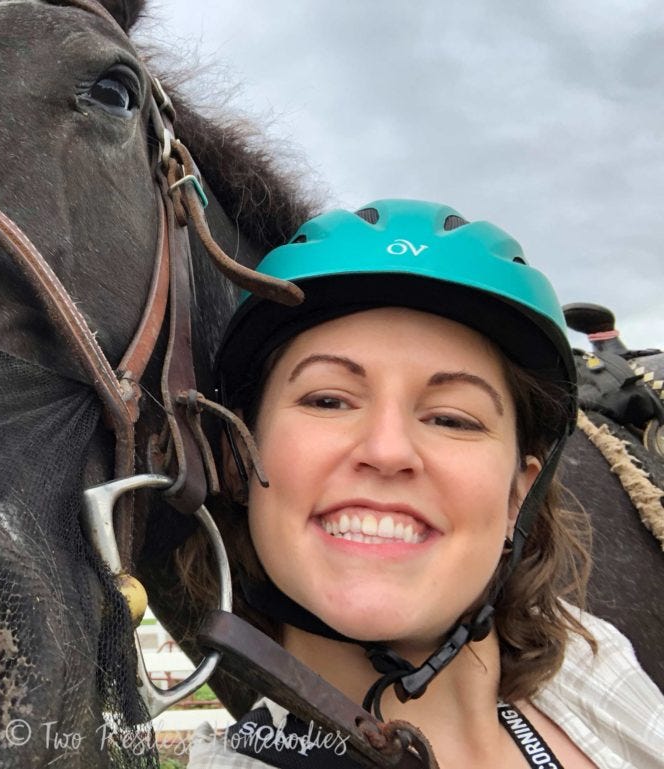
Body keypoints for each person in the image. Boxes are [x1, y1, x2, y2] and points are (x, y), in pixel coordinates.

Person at [181, 199, 664, 768]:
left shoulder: (593, 663)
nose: (387, 451)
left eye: (452, 418)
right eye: (328, 400)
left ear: (518, 494)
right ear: (240, 459)